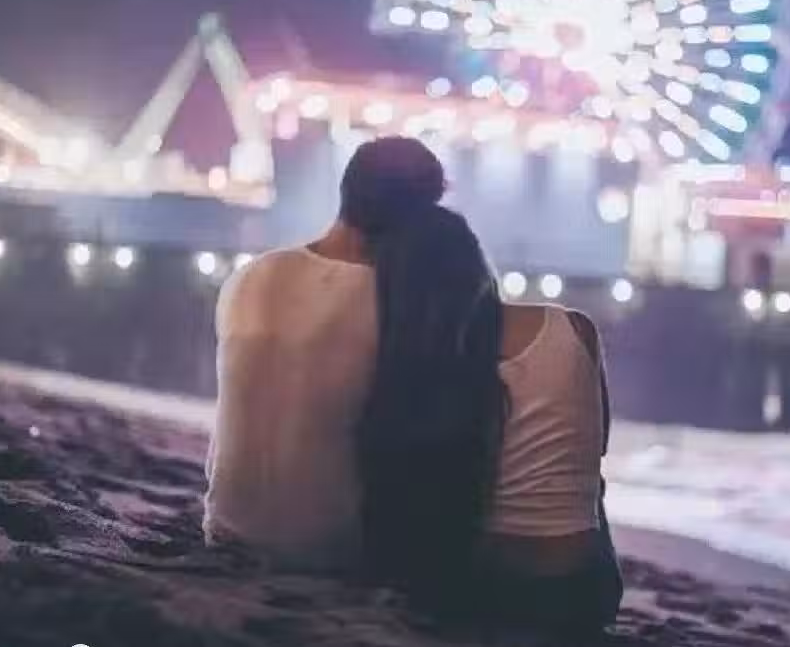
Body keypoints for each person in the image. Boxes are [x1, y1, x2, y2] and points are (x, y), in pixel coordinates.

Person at [204, 136, 622, 632]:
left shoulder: (249, 276)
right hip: (333, 556)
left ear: (346, 190)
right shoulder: (400, 307)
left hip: (225, 530)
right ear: (422, 216)